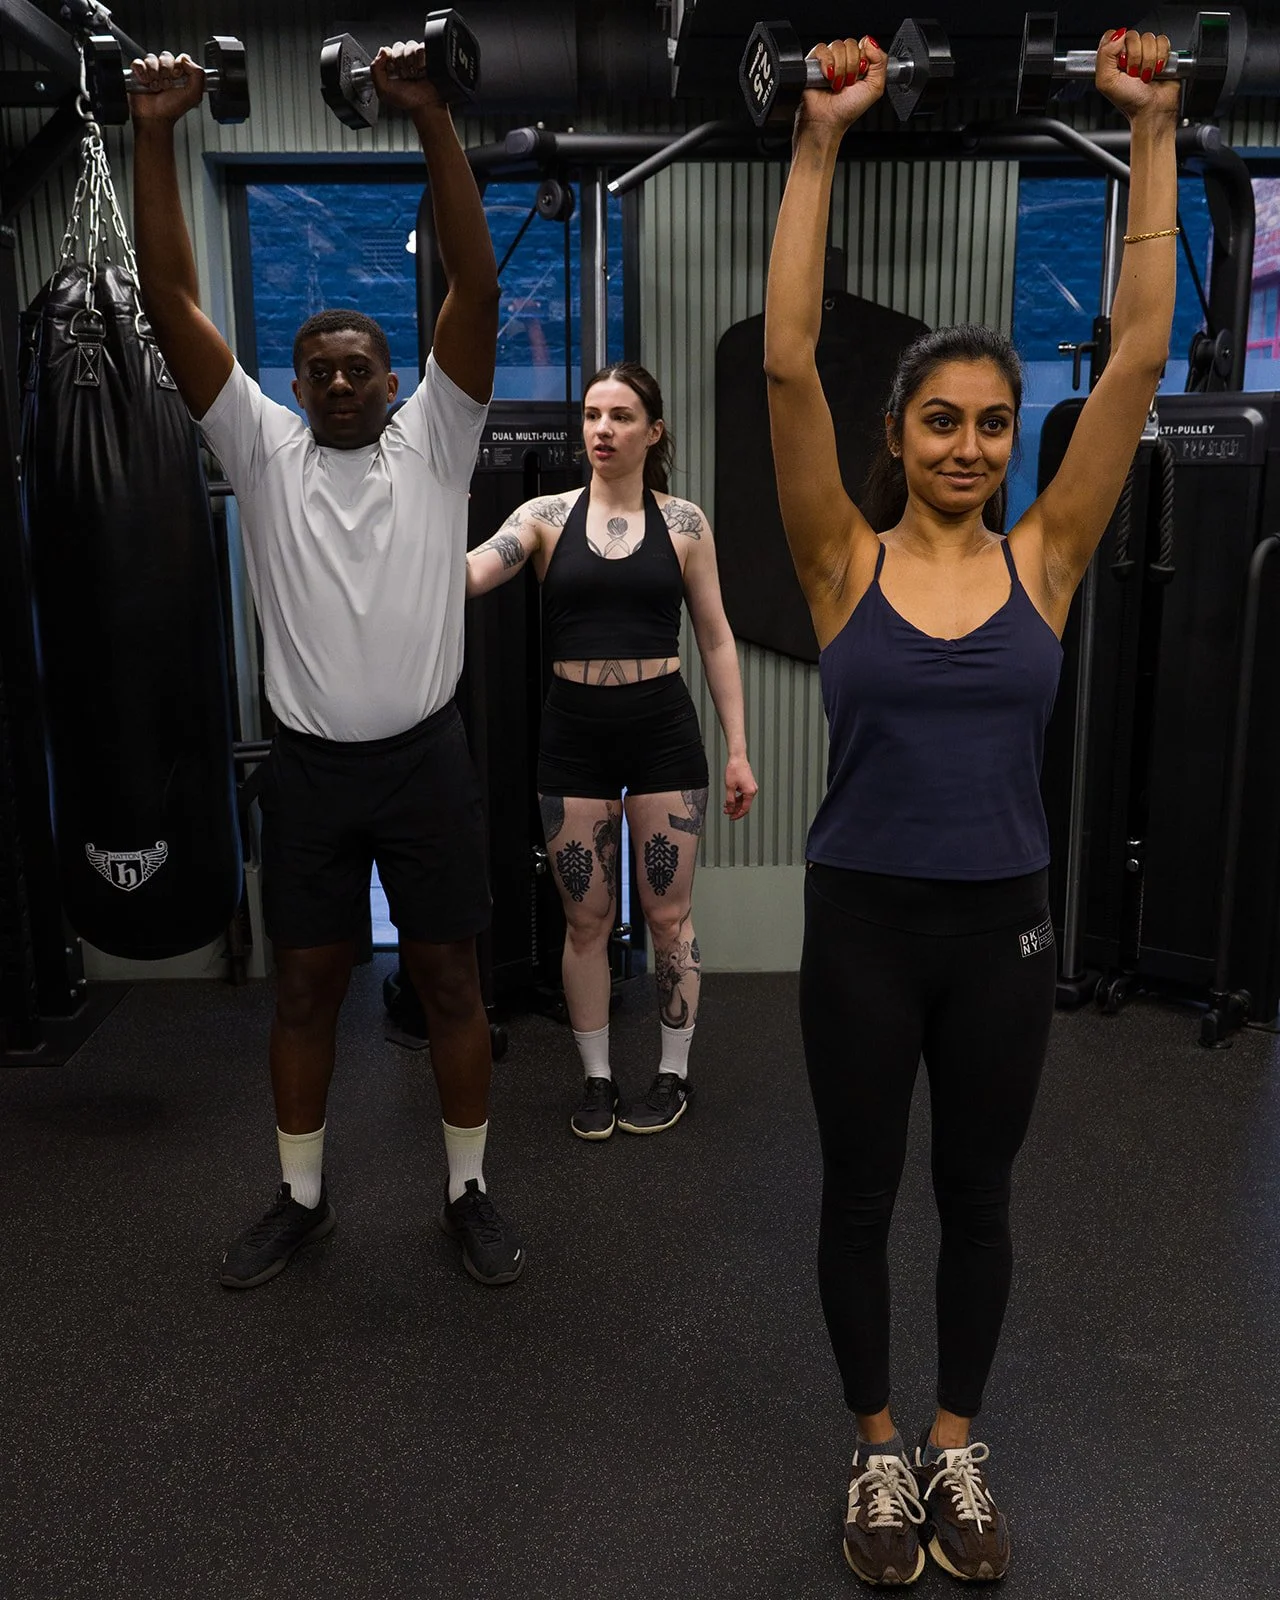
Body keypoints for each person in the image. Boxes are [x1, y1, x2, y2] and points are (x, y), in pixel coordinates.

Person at [765, 28, 1177, 1586]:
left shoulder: (1046, 561)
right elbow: (789, 359)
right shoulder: (838, 563)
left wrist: (1149, 136)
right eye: (941, 422)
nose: (969, 448)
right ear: (898, 436)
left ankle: (954, 1443)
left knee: (980, 1193)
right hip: (862, 922)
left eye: (992, 425)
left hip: (1004, 922)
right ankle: (875, 1451)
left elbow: (1134, 357)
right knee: (862, 1190)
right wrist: (817, 144)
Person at [129, 44, 523, 1289]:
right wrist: (151, 133)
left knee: (452, 976)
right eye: (323, 371)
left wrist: (432, 118)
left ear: (394, 381)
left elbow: (473, 282)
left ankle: (466, 1191)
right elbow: (169, 302)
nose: (344, 381)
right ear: (295, 387)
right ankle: (300, 1199)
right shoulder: (261, 449)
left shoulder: (436, 443)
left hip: (425, 761)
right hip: (308, 770)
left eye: (363, 367)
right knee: (303, 987)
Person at [465, 363, 758, 1138]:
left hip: (662, 727)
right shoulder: (544, 516)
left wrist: (738, 747)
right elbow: (470, 573)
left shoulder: (687, 523)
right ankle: (596, 1080)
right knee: (586, 921)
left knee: (669, 916)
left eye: (621, 416)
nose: (601, 429)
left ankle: (672, 1073)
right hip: (574, 734)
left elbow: (718, 637)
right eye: (592, 415)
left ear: (652, 431)